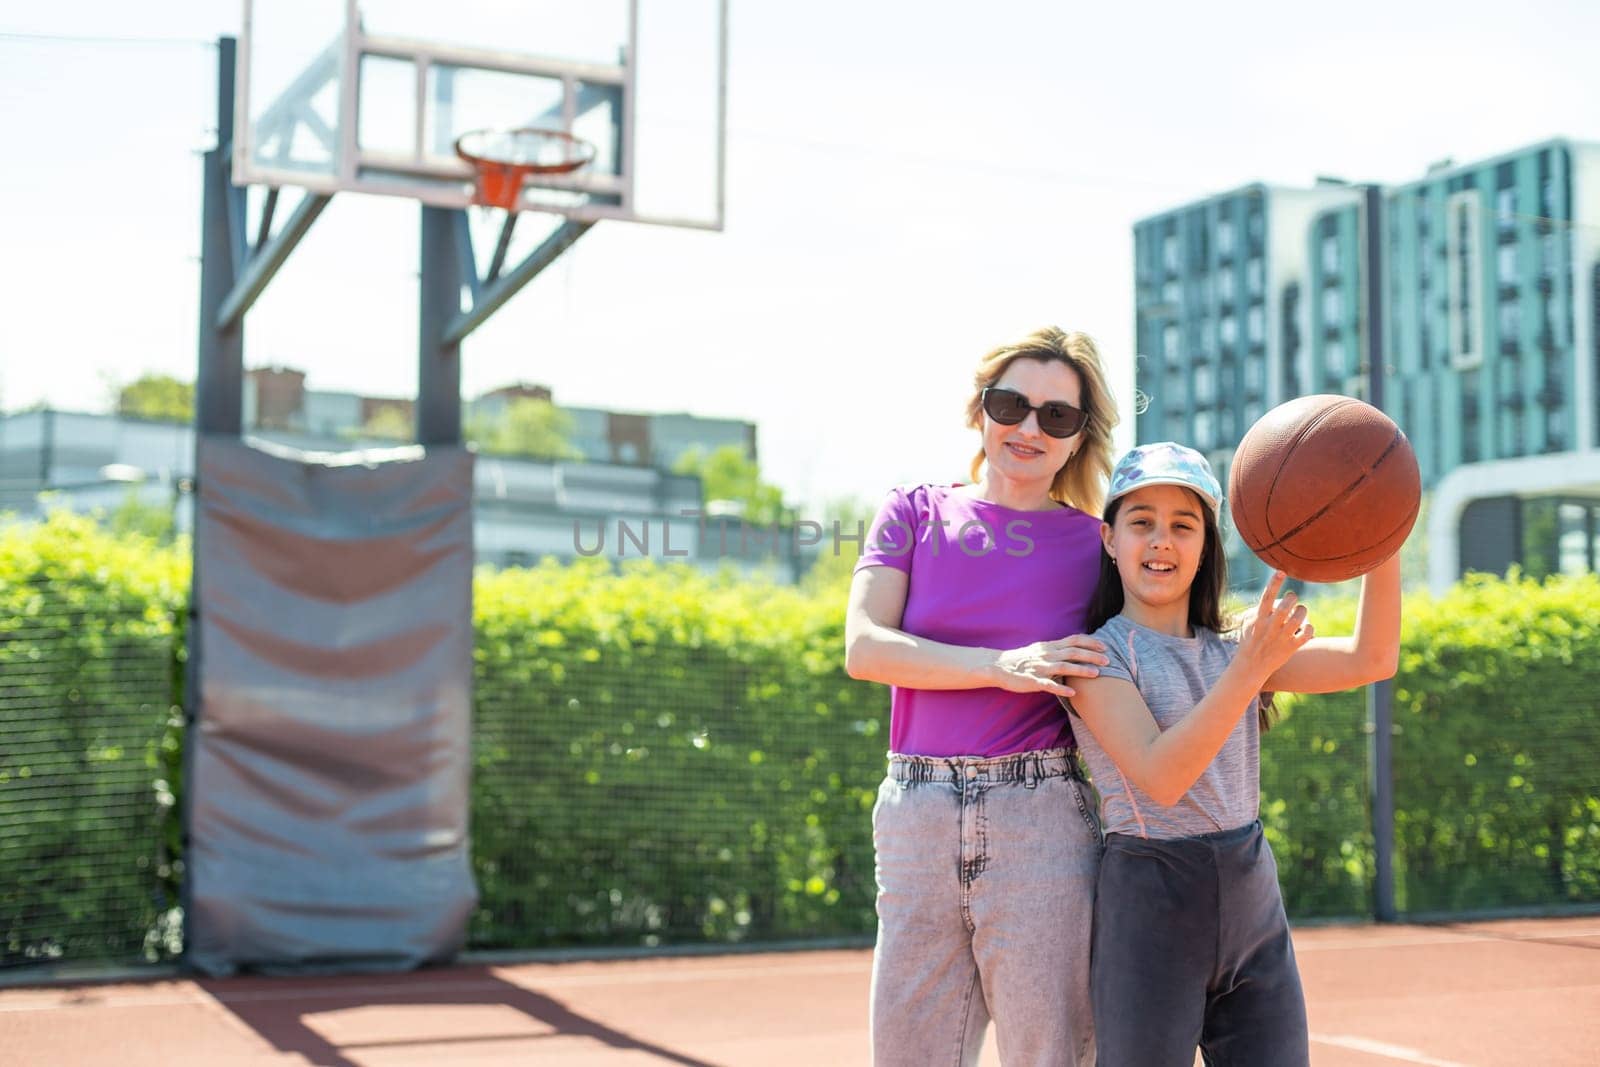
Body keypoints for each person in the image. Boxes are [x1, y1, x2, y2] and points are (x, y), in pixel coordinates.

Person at [1063, 441, 1403, 1066]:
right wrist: (1251, 669)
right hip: (1150, 902)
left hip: (1251, 900)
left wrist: (1381, 528)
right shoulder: (1094, 657)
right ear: (1110, 539)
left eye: (1183, 526)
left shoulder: (1235, 646)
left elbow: (1372, 657)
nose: (1161, 541)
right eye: (1142, 523)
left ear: (1205, 546)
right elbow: (1163, 776)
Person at [844, 326, 1118, 1066]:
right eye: (1012, 404)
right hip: (916, 817)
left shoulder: (1102, 547)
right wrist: (1002, 665)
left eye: (1056, 417)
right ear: (981, 409)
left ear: (1077, 439)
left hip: (1043, 822)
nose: (1029, 427)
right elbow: (865, 646)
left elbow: (1170, 637)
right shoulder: (913, 511)